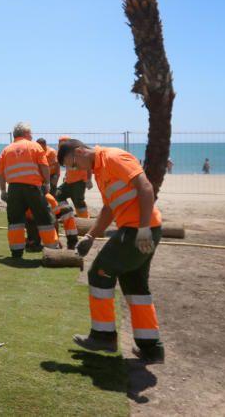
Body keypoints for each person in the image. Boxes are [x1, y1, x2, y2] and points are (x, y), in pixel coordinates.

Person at [59, 138, 165, 364]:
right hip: (138, 228)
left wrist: (144, 228)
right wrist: (90, 235)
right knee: (135, 286)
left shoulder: (114, 158)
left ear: (79, 151)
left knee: (99, 273)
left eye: (74, 164)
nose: (76, 169)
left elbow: (145, 187)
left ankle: (103, 336)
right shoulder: (99, 171)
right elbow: (110, 208)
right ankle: (152, 348)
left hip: (139, 229)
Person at [0, 122, 60, 257]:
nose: (32, 136)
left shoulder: (6, 150)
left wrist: (3, 191)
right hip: (33, 188)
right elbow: (44, 166)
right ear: (25, 133)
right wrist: (48, 183)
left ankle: (16, 252)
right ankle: (52, 249)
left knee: (15, 222)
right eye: (30, 133)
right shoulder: (35, 146)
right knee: (44, 218)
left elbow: (1, 174)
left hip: (13, 189)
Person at [56, 135, 93, 218]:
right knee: (58, 195)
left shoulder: (76, 153)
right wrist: (66, 176)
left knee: (78, 202)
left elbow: (88, 166)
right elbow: (68, 168)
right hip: (68, 182)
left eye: (62, 144)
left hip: (79, 182)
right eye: (60, 144)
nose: (61, 146)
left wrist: (89, 179)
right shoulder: (64, 153)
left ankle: (84, 219)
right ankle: (68, 213)